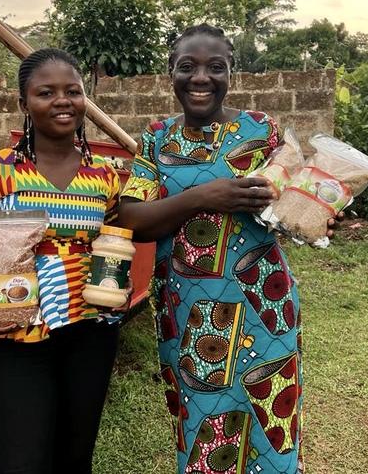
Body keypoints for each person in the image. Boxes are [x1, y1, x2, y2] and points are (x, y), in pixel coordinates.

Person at [118, 24, 337, 473]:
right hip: (190, 313)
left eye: (215, 67)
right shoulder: (157, 139)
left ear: (231, 73)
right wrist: (203, 197)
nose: (201, 77)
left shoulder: (262, 131)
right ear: (171, 74)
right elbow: (131, 219)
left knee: (269, 419)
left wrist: (318, 206)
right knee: (204, 427)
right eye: (188, 67)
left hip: (264, 300)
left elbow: (293, 194)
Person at [0, 48, 122, 474]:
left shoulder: (106, 176)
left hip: (90, 333)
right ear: (25, 105)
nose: (63, 101)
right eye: (46, 92)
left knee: (74, 458)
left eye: (73, 91)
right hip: (17, 333)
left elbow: (114, 244)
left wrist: (119, 283)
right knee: (20, 461)